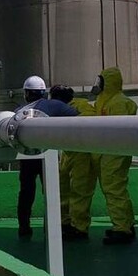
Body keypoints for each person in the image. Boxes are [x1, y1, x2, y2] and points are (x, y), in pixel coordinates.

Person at [16, 76, 77, 237]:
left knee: (26, 193)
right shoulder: (56, 106)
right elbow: (77, 116)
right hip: (48, 156)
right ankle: (52, 227)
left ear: (27, 93)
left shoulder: (20, 111)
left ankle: (24, 227)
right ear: (44, 92)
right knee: (52, 192)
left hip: (27, 157)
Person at [91, 67, 138, 245]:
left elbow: (117, 129)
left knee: (114, 188)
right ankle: (125, 223)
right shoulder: (105, 100)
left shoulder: (118, 102)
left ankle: (122, 229)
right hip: (109, 151)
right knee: (114, 188)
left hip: (115, 151)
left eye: (101, 80)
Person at [50, 85, 96, 241]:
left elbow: (89, 122)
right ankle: (65, 222)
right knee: (63, 188)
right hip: (67, 151)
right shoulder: (64, 108)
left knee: (80, 190)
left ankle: (79, 227)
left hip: (81, 153)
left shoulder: (81, 106)